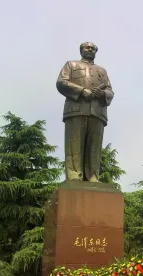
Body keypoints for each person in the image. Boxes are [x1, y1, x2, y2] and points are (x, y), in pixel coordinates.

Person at [56, 42, 115, 182]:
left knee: (94, 147)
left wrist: (102, 94)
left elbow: (110, 91)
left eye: (93, 48)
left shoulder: (102, 71)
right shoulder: (71, 65)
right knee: (74, 145)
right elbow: (61, 83)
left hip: (97, 112)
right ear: (81, 50)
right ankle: (74, 176)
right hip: (76, 109)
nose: (90, 49)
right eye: (87, 47)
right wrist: (82, 91)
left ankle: (93, 176)